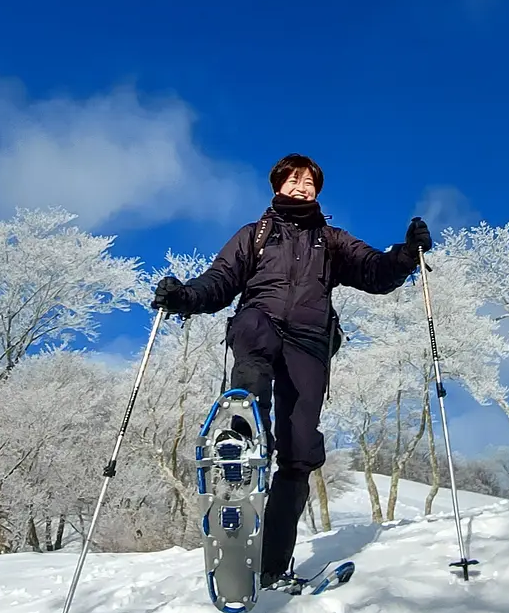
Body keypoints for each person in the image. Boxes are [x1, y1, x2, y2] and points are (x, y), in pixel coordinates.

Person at [153, 153, 431, 590]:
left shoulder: (331, 240)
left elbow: (373, 271)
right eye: (295, 180)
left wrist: (404, 256)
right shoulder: (255, 235)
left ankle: (272, 566)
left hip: (310, 341)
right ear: (278, 185)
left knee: (300, 451)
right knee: (253, 332)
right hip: (260, 318)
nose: (303, 187)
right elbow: (221, 280)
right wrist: (185, 297)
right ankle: (242, 432)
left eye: (310, 182)